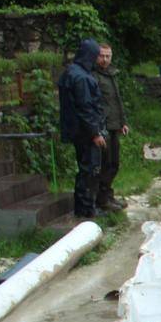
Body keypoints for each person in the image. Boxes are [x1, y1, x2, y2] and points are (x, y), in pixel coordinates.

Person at [56, 38, 105, 220]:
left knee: (85, 169)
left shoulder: (70, 73)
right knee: (90, 170)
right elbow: (86, 108)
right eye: (97, 55)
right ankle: (86, 210)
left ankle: (84, 207)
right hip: (85, 132)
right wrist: (95, 133)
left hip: (76, 130)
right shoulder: (81, 78)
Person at [92, 43, 129, 212]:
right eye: (102, 56)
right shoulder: (94, 76)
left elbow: (117, 100)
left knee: (114, 163)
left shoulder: (112, 74)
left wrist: (123, 122)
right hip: (103, 126)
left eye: (108, 56)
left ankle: (108, 195)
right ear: (96, 56)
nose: (105, 59)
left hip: (115, 125)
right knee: (105, 164)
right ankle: (102, 199)